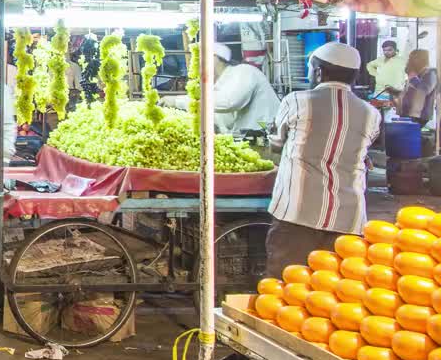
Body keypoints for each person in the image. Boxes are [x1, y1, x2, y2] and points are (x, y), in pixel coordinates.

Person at [266, 42, 381, 277]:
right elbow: (360, 149)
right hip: (349, 221)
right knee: (336, 292)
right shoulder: (372, 114)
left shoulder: (297, 100)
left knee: (287, 288)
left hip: (297, 215)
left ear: (318, 71)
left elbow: (276, 144)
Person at [163, 43, 280, 133]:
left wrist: (177, 101)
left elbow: (228, 102)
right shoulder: (220, 86)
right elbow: (224, 119)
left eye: (199, 60)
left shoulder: (244, 71)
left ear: (214, 58)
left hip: (266, 138)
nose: (197, 66)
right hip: (249, 139)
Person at [399, 49, 438, 124]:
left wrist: (412, 77)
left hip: (419, 115)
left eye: (412, 58)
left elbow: (425, 90)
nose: (410, 61)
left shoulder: (431, 72)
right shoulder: (417, 72)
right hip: (408, 112)